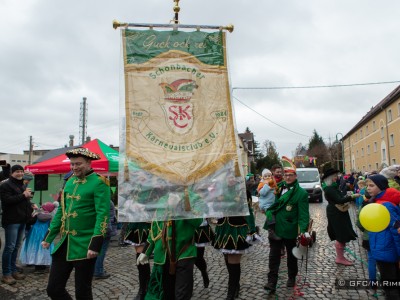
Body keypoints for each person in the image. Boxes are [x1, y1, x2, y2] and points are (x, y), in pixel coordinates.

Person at [41, 148, 110, 300]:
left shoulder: (100, 183)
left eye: (78, 164)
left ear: (89, 163)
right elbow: (61, 211)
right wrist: (49, 236)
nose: (74, 167)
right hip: (65, 243)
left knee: (83, 292)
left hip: (85, 244)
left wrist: (96, 243)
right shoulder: (70, 181)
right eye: (72, 164)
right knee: (53, 289)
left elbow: (102, 215)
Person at [263, 158, 309, 292]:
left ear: (295, 176)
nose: (288, 177)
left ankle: (292, 276)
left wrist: (303, 231)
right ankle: (271, 282)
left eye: (290, 175)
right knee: (273, 256)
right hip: (276, 228)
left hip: (290, 229)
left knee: (291, 255)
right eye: (286, 175)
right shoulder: (280, 186)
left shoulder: (301, 194)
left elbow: (303, 215)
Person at [364, 174, 400, 299]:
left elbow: (396, 231)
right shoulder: (374, 202)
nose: (368, 188)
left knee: (391, 286)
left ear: (381, 187)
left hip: (387, 251)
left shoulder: (387, 206)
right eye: (367, 185)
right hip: (379, 249)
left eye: (371, 185)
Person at [0, 164, 37, 285]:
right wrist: (23, 195)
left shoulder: (21, 184)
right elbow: (7, 201)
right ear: (11, 173)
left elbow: (23, 200)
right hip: (11, 221)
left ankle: (13, 270)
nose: (20, 173)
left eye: (21, 171)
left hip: (22, 219)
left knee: (16, 246)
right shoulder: (5, 185)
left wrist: (31, 204)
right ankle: (6, 274)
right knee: (9, 247)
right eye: (17, 171)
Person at [321, 168, 359, 266]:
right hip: (336, 213)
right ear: (330, 178)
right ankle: (340, 258)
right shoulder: (329, 189)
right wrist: (351, 197)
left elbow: (340, 197)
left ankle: (341, 257)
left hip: (338, 211)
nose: (337, 177)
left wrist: (347, 195)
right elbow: (339, 200)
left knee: (341, 234)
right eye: (335, 176)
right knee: (340, 234)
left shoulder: (333, 187)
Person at [19, 201, 56, 273]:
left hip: (38, 235)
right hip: (39, 235)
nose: (40, 208)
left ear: (46, 209)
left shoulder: (41, 215)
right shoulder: (46, 215)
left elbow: (39, 217)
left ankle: (40, 265)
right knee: (38, 249)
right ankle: (37, 262)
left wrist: (36, 211)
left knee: (36, 248)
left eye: (42, 207)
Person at [93, 199, 118, 280]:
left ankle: (96, 270)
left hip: (102, 229)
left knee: (97, 250)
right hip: (105, 230)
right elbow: (105, 217)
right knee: (101, 251)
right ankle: (98, 271)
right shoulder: (105, 201)